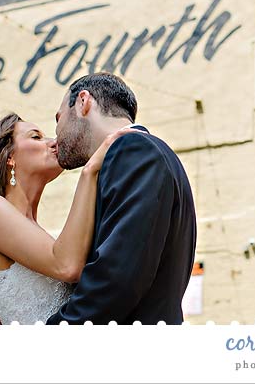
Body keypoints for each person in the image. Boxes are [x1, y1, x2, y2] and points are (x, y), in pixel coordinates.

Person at [0, 113, 133, 324]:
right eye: (36, 137)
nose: (54, 142)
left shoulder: (37, 233)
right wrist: (90, 170)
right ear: (9, 157)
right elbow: (67, 266)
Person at [46, 72, 197, 325]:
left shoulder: (133, 151)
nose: (56, 135)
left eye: (58, 119)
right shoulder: (150, 153)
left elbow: (116, 277)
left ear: (83, 102)